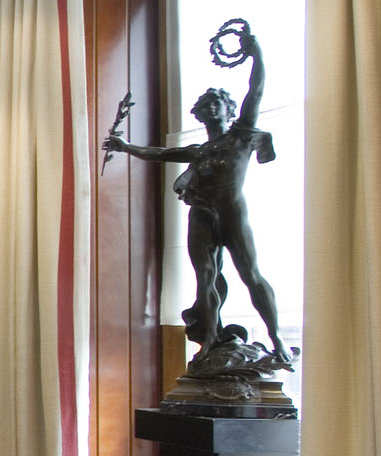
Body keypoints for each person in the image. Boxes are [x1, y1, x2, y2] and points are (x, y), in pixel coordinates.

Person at [103, 21, 291, 369]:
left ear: (228, 109)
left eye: (215, 103)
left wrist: (256, 55)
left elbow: (256, 90)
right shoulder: (199, 151)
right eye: (205, 106)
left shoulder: (240, 136)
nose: (210, 109)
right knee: (205, 276)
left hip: (232, 210)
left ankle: (277, 338)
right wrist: (125, 147)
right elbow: (159, 153)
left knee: (250, 273)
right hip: (203, 212)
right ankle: (209, 341)